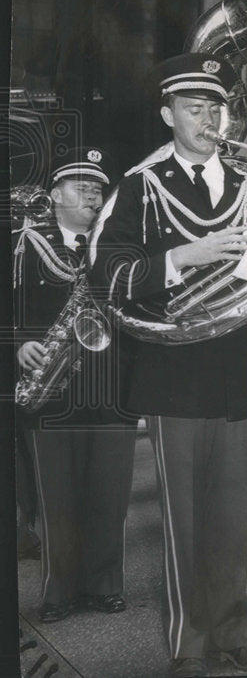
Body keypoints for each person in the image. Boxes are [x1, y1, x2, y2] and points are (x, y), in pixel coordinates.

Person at [90, 54, 247, 678]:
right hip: (174, 376)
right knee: (182, 517)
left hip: (239, 372)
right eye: (192, 108)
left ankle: (236, 632)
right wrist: (186, 253)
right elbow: (106, 275)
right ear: (167, 115)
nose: (207, 119)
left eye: (215, 108)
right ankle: (190, 644)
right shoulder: (140, 186)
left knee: (232, 517)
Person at [14, 147, 136, 623]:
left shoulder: (118, 251)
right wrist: (18, 345)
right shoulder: (24, 246)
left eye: (98, 188)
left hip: (111, 392)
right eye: (80, 186)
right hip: (51, 393)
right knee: (57, 499)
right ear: (54, 195)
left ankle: (104, 585)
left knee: (109, 495)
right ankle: (59, 591)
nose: (92, 193)